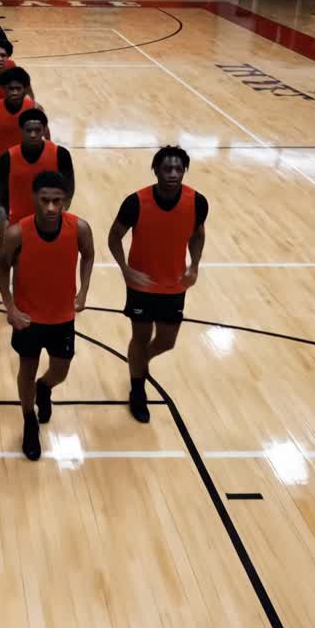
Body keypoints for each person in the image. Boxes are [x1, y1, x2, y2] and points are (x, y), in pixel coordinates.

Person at [0, 171, 94, 459]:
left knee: (60, 370)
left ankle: (45, 387)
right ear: (34, 199)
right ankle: (28, 419)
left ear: (66, 201)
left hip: (63, 317)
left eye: (57, 201)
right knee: (27, 368)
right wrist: (10, 307)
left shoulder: (80, 229)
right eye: (45, 200)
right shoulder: (17, 233)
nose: (51, 207)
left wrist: (84, 290)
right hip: (28, 319)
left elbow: (88, 255)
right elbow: (1, 267)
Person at [107, 146, 208, 423]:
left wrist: (195, 264)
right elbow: (114, 236)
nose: (173, 174)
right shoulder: (136, 202)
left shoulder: (197, 202)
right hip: (141, 285)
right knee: (140, 338)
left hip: (175, 284)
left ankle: (139, 362)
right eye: (167, 169)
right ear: (156, 170)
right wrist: (126, 270)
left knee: (167, 341)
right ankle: (137, 389)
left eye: (178, 169)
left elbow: (197, 235)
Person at [0, 109, 74, 240]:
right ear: (21, 130)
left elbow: (69, 188)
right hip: (17, 223)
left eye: (37, 130)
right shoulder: (7, 158)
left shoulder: (60, 154)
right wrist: (3, 218)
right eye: (28, 130)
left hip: (50, 223)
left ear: (44, 130)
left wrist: (60, 211)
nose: (33, 134)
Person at [0, 67, 43, 212]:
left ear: (24, 89)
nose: (14, 92)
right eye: (11, 88)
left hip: (26, 165)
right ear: (3, 89)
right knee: (1, 212)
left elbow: (45, 139)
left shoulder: (35, 109)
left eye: (18, 88)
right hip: (1, 166)